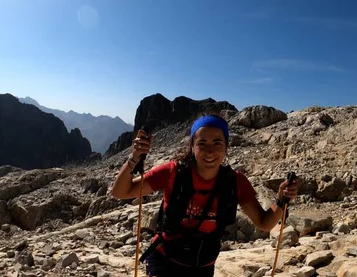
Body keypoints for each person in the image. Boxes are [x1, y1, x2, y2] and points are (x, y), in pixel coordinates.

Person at [111, 113, 299, 277]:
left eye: (217, 143)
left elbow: (264, 223)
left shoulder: (236, 182)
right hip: (164, 261)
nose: (210, 151)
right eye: (202, 143)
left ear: (226, 146)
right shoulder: (172, 172)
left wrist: (281, 200)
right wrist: (134, 157)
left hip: (203, 267)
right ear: (192, 146)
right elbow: (120, 192)